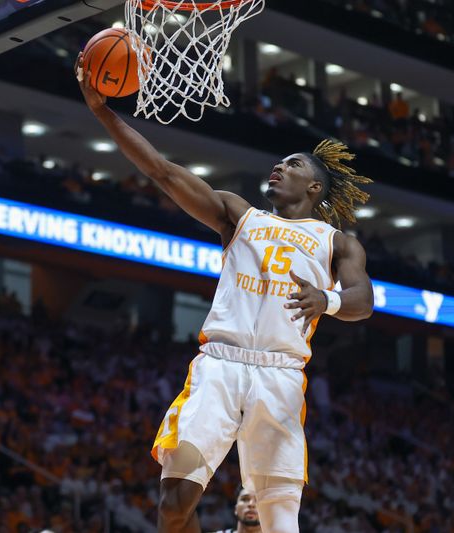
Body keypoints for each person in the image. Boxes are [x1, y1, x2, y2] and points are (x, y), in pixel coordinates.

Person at [75, 54, 375, 533]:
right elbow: (161, 171)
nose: (278, 167)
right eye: (278, 162)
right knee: (174, 505)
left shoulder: (337, 242)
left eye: (292, 164)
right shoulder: (240, 215)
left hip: (279, 376)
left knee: (279, 524)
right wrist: (102, 111)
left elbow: (363, 302)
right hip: (220, 364)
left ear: (315, 186)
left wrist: (328, 300)